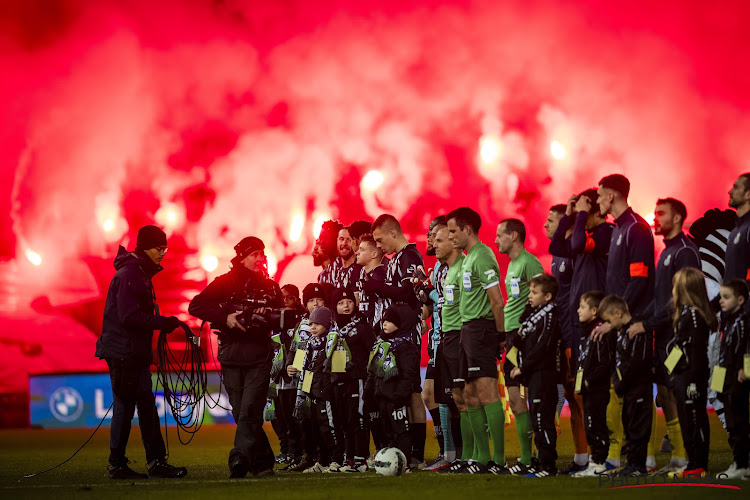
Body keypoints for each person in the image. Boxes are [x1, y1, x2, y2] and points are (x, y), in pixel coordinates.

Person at [95, 224, 187, 480]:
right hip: (124, 353)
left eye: (164, 248)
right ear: (145, 247)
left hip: (130, 352)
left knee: (144, 406)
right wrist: (163, 322)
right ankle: (119, 464)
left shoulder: (135, 273)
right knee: (126, 406)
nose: (163, 253)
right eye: (159, 248)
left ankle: (153, 461)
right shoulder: (131, 274)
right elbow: (129, 316)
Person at [188, 236, 282, 478]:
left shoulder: (271, 286)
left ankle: (239, 458)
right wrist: (225, 316)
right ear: (242, 257)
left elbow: (284, 317)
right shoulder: (224, 282)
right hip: (231, 356)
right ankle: (262, 463)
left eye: (262, 253)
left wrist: (269, 313)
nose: (261, 259)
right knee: (240, 411)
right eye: (255, 254)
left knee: (250, 409)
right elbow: (195, 306)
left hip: (260, 355)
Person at [629, 198, 700, 474]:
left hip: (679, 337)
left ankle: (690, 457)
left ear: (679, 217)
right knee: (667, 394)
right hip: (664, 333)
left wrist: (647, 324)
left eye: (661, 213)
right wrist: (637, 319)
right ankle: (679, 457)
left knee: (680, 392)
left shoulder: (684, 251)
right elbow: (660, 300)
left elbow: (680, 300)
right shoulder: (667, 251)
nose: (655, 218)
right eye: (655, 213)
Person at [595, 175, 655, 470]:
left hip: (635, 325)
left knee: (638, 394)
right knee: (625, 394)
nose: (597, 201)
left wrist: (619, 319)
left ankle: (640, 461)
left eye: (600, 195)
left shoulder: (636, 230)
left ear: (612, 196)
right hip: (621, 324)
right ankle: (632, 460)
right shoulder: (620, 229)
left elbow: (640, 279)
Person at [445, 207, 505, 474]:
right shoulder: (468, 259)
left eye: (453, 231)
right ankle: (479, 459)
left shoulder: (482, 256)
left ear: (467, 229)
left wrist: (500, 336)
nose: (450, 236)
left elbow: (497, 300)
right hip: (467, 330)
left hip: (481, 330)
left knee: (487, 392)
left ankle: (498, 460)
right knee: (469, 394)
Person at [369, 214, 427, 467]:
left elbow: (409, 293)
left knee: (413, 393)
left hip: (408, 337)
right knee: (395, 392)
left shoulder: (411, 257)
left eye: (380, 240)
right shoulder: (396, 260)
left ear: (393, 233)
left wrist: (376, 287)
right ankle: (402, 448)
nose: (379, 246)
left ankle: (417, 454)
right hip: (393, 337)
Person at [496, 218, 543, 474]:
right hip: (513, 337)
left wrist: (527, 329)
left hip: (523, 337)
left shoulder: (529, 262)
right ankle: (527, 457)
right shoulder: (514, 265)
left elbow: (545, 296)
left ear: (514, 236)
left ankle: (534, 456)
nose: (496, 240)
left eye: (499, 235)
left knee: (527, 397)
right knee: (515, 398)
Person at [545, 203, 589, 474]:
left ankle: (597, 456)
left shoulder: (574, 253)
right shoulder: (558, 256)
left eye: (552, 220)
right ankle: (581, 457)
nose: (547, 225)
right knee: (572, 400)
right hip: (562, 335)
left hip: (575, 336)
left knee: (581, 396)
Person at [510, 274, 562, 477]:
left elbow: (543, 346)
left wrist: (523, 366)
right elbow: (521, 338)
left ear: (548, 296)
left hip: (544, 375)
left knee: (542, 419)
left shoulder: (549, 316)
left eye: (534, 292)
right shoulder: (535, 315)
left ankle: (548, 466)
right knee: (536, 418)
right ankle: (540, 462)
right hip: (535, 375)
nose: (530, 296)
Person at [598, 295, 653, 477]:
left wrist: (622, 381)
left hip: (639, 388)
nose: (608, 325)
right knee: (629, 428)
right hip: (628, 390)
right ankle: (631, 464)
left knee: (638, 428)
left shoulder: (637, 331)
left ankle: (638, 466)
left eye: (608, 320)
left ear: (618, 313)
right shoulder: (623, 333)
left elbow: (637, 362)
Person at [668, 267, 715, 478]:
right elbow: (680, 347)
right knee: (686, 418)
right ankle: (692, 463)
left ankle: (698, 464)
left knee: (694, 417)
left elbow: (695, 351)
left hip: (691, 376)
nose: (672, 291)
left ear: (685, 289)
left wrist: (694, 380)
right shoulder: (685, 314)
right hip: (682, 375)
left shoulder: (694, 315)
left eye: (675, 286)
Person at [364, 304, 421, 468]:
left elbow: (408, 374)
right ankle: (387, 460)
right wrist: (368, 393)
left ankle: (405, 462)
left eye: (390, 321)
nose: (385, 324)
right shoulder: (380, 345)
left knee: (401, 431)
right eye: (384, 320)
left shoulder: (406, 346)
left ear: (400, 323)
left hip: (396, 397)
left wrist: (400, 395)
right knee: (384, 430)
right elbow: (372, 371)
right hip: (380, 396)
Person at [287, 307, 342, 473]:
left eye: (317, 323)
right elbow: (295, 367)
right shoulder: (307, 344)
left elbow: (339, 371)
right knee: (316, 427)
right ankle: (322, 461)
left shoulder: (335, 341)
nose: (313, 327)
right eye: (311, 323)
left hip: (326, 393)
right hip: (310, 391)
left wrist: (329, 387)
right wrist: (291, 368)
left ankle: (337, 460)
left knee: (330, 426)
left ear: (327, 324)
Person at [329, 287, 375, 472]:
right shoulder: (333, 329)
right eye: (340, 303)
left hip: (358, 379)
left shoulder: (362, 327)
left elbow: (373, 350)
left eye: (348, 302)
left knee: (359, 418)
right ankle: (349, 458)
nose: (345, 306)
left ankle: (361, 459)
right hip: (338, 380)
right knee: (343, 420)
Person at [571, 291, 614, 478]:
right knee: (590, 425)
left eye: (582, 307)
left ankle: (599, 462)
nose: (578, 310)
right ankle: (594, 462)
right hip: (589, 388)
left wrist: (589, 380)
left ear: (594, 310)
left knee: (596, 425)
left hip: (597, 389)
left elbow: (605, 362)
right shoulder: (586, 331)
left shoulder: (599, 332)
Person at [715, 279, 750, 479]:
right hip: (724, 375)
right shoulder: (727, 320)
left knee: (739, 420)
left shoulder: (744, 320)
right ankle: (738, 462)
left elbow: (747, 347)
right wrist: (718, 382)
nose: (721, 301)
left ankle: (742, 464)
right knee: (731, 420)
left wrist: (747, 370)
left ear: (741, 299)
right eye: (720, 297)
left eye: (726, 297)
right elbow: (723, 352)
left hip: (738, 376)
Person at [725, 173, 750, 289]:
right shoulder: (735, 230)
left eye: (736, 187)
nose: (730, 192)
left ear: (748, 194)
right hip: (733, 304)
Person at [314, 220, 343, 285]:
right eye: (320, 238)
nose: (321, 242)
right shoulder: (322, 276)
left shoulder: (345, 270)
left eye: (325, 238)